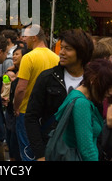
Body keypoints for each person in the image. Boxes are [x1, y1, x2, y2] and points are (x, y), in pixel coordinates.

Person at [25, 29, 94, 161]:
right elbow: (31, 117)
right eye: (61, 47)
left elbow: (99, 119)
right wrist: (40, 154)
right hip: (52, 149)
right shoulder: (47, 78)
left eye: (67, 49)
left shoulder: (93, 81)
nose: (61, 52)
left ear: (81, 52)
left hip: (84, 152)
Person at [52, 59, 112, 161]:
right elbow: (87, 150)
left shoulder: (77, 95)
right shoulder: (82, 104)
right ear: (93, 81)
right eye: (107, 87)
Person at [13, 24, 59, 161]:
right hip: (48, 112)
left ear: (34, 37)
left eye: (26, 36)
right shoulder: (56, 57)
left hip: (27, 110)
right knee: (43, 150)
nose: (23, 39)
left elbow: (21, 88)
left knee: (28, 151)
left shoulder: (29, 57)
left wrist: (16, 107)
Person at [3, 47, 28, 161]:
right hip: (10, 111)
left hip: (18, 112)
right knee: (10, 141)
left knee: (15, 143)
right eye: (13, 54)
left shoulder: (24, 73)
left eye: (17, 54)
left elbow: (21, 90)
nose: (14, 56)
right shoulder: (11, 71)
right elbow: (5, 88)